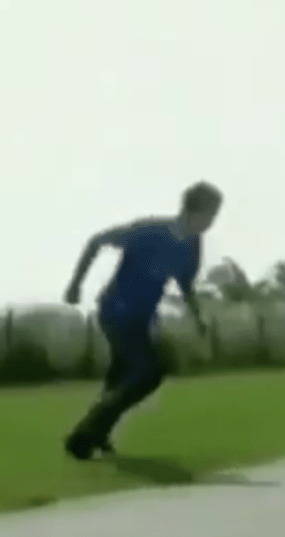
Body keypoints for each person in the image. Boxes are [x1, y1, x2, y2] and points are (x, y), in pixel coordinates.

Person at [62, 181, 222, 460]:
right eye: (210, 215)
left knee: (122, 375)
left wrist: (197, 316)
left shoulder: (192, 245)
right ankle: (84, 435)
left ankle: (97, 435)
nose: (211, 223)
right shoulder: (148, 231)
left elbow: (185, 283)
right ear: (191, 211)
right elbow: (96, 241)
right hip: (116, 309)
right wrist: (76, 284)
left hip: (142, 317)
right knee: (149, 372)